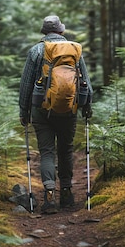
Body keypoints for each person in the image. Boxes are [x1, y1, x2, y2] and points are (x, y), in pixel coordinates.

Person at [19, 15, 93, 214]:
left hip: (40, 109)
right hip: (69, 108)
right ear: (61, 31)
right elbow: (84, 80)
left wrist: (23, 111)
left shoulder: (36, 51)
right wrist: (87, 106)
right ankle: (67, 194)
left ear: (45, 32)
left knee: (47, 152)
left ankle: (49, 194)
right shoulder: (74, 50)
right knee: (66, 150)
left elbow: (26, 84)